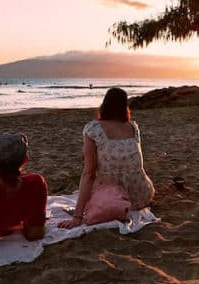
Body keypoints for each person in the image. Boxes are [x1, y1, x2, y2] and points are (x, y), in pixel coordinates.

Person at [58, 88, 155, 228]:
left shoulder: (93, 129)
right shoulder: (133, 127)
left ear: (105, 105)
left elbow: (89, 174)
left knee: (89, 169)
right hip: (140, 195)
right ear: (124, 106)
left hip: (111, 198)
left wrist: (77, 217)